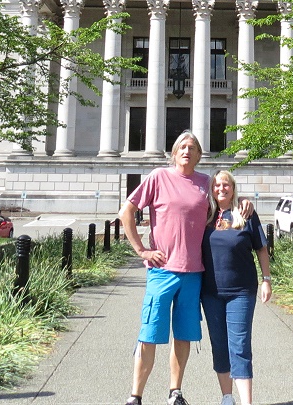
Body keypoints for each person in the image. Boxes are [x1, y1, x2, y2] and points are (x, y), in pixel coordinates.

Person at [119, 132, 253, 405]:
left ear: (199, 155)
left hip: (194, 273)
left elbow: (225, 196)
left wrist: (244, 201)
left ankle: (175, 392)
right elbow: (126, 212)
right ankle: (135, 396)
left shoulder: (205, 183)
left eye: (192, 148)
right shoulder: (158, 176)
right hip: (162, 271)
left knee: (183, 336)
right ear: (173, 152)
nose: (187, 151)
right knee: (149, 335)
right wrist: (141, 250)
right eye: (182, 147)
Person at [200, 170, 271, 405]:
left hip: (241, 292)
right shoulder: (205, 215)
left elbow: (261, 248)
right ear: (211, 189)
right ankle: (227, 397)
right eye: (217, 185)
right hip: (210, 293)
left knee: (239, 345)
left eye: (226, 185)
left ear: (233, 188)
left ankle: (247, 402)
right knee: (219, 345)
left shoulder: (245, 213)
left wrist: (266, 280)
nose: (221, 189)